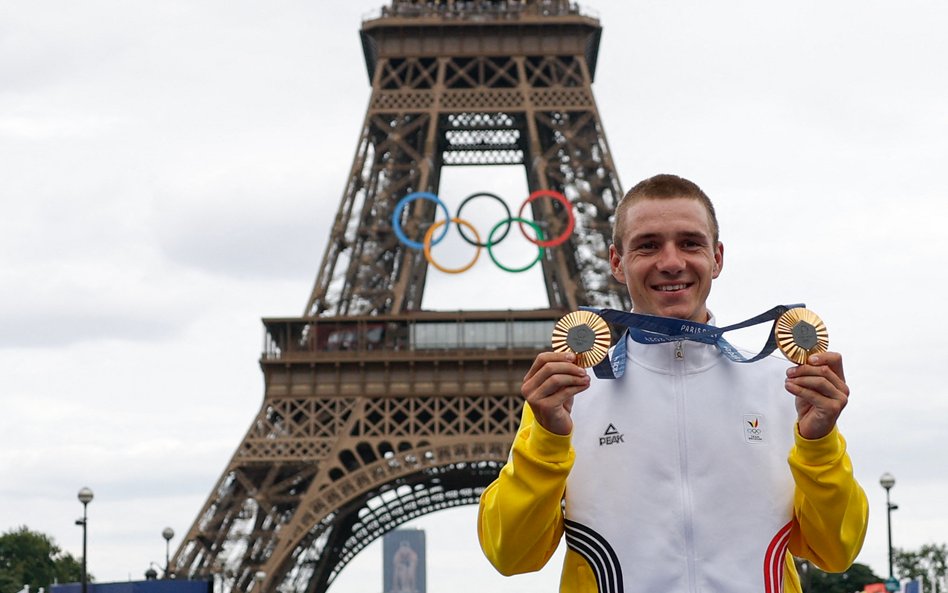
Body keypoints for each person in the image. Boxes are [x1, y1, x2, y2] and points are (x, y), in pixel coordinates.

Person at [477, 174, 868, 593]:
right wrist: (547, 442)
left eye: (690, 243)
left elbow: (836, 550)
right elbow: (511, 555)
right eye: (647, 245)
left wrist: (820, 444)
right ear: (616, 261)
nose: (671, 262)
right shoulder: (569, 397)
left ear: (717, 258)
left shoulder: (784, 387)